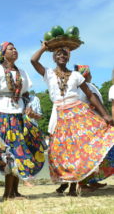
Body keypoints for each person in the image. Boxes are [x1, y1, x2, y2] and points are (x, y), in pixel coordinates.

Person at [31, 43, 114, 195]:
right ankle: (70, 185)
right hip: (61, 116)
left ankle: (77, 187)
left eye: (65, 54)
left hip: (79, 113)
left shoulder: (76, 76)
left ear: (68, 57)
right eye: (59, 54)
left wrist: (105, 114)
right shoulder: (48, 74)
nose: (62, 56)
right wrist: (44, 47)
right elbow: (33, 61)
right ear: (54, 57)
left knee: (81, 149)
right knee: (62, 151)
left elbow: (90, 95)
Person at [0, 42, 45, 200]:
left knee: (19, 151)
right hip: (0, 114)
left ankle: (14, 192)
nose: (15, 50)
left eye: (15, 48)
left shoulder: (22, 72)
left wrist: (29, 108)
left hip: (18, 115)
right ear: (2, 53)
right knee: (8, 152)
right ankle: (7, 193)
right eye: (10, 48)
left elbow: (25, 94)